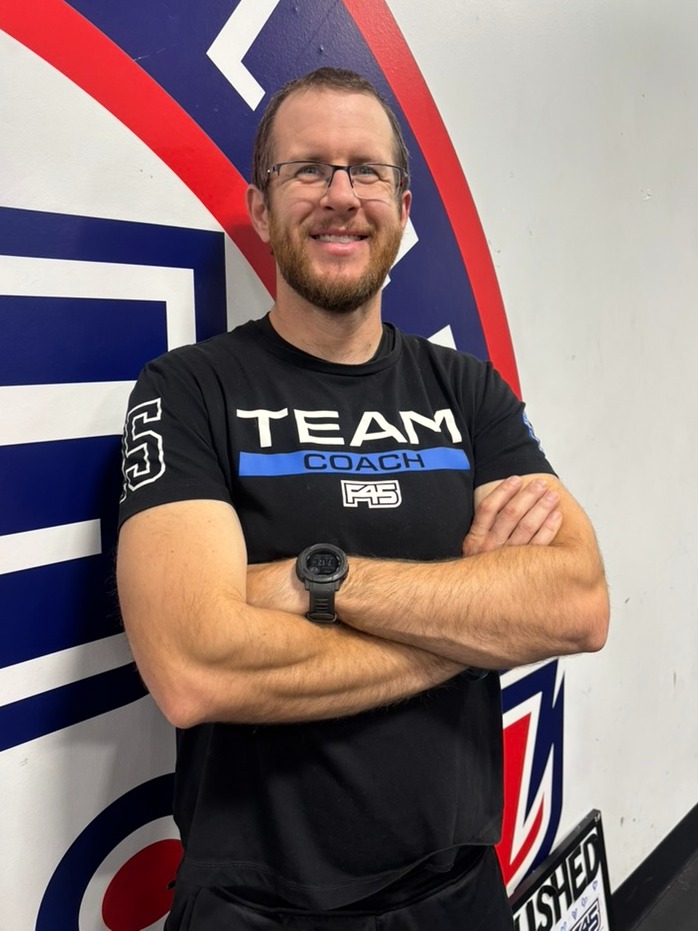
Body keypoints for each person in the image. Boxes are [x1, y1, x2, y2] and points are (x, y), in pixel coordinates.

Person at [116, 67, 609, 930]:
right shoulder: (189, 389)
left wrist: (316, 579)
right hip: (255, 907)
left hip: (459, 891)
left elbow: (577, 604)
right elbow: (195, 667)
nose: (341, 196)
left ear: (403, 208)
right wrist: (472, 629)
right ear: (261, 207)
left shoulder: (465, 390)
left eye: (366, 171)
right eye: (307, 168)